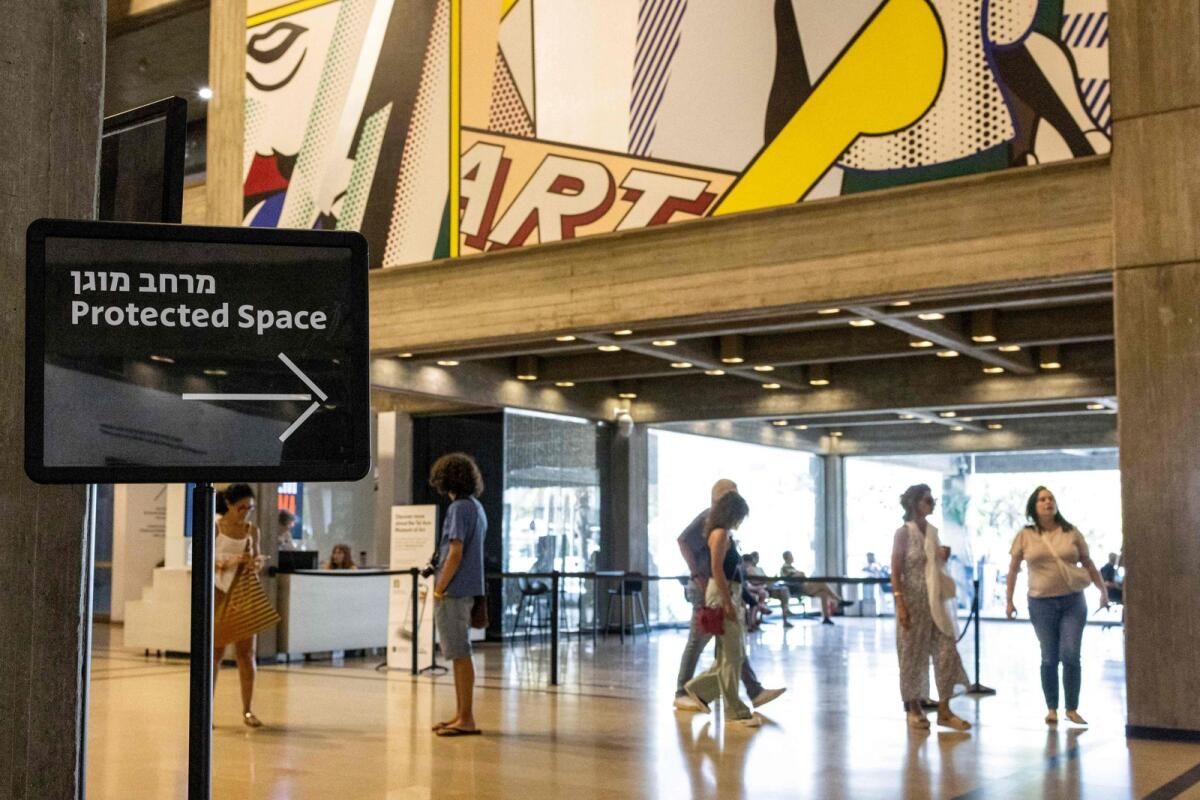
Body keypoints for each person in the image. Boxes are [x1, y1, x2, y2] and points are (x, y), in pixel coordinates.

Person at [674, 479, 784, 712]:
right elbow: (683, 541)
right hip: (708, 586)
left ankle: (752, 690)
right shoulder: (711, 519)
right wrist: (697, 574)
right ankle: (684, 691)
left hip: (718, 587)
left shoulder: (724, 527)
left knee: (732, 646)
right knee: (700, 640)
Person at [1006, 486, 1109, 726]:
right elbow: (1013, 569)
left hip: (1073, 601)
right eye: (1042, 499)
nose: (1047, 502)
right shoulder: (1025, 535)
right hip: (1040, 602)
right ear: (1034, 506)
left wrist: (1103, 592)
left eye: (1050, 498)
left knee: (1071, 654)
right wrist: (1009, 600)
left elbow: (1088, 563)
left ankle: (1072, 708)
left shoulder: (1070, 531)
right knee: (1049, 657)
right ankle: (1051, 708)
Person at [892, 484, 971, 731]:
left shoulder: (932, 532)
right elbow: (896, 570)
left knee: (946, 653)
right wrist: (900, 604)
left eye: (932, 499)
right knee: (912, 656)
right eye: (927, 500)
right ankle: (914, 708)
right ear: (915, 503)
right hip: (912, 602)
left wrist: (940, 556)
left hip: (935, 602)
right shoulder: (903, 533)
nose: (932, 503)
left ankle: (944, 710)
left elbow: (933, 564)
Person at [683, 491, 762, 728]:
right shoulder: (720, 534)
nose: (741, 521)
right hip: (722, 593)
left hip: (727, 592)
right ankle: (734, 708)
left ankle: (699, 689)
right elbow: (717, 569)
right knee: (732, 654)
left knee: (731, 653)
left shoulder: (722, 533)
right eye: (740, 516)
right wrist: (727, 602)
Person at [429, 453, 487, 737]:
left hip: (454, 589)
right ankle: (461, 713)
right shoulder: (475, 507)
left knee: (459, 653)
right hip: (469, 588)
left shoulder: (458, 508)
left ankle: (466, 718)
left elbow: (455, 552)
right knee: (460, 652)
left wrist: (440, 586)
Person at [213, 483, 267, 728]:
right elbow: (207, 561)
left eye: (249, 508)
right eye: (241, 507)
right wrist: (233, 560)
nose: (245, 512)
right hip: (219, 592)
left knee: (246, 653)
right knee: (215, 653)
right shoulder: (216, 527)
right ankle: (207, 708)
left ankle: (247, 709)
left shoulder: (252, 531)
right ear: (229, 505)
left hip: (244, 592)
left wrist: (255, 563)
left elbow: (256, 559)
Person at [780, 551, 843, 625]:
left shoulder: (791, 567)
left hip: (803, 586)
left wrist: (801, 574)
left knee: (823, 593)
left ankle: (826, 618)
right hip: (800, 588)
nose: (792, 557)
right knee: (822, 583)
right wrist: (800, 573)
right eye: (791, 555)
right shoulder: (785, 567)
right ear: (786, 557)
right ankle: (836, 598)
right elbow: (796, 576)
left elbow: (800, 575)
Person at [745, 552, 794, 628]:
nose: (757, 559)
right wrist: (763, 583)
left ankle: (785, 617)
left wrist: (771, 580)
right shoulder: (748, 569)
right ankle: (755, 619)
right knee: (761, 595)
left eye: (758, 557)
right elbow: (753, 581)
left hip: (768, 587)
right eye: (755, 557)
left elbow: (765, 578)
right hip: (759, 588)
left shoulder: (760, 569)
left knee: (784, 590)